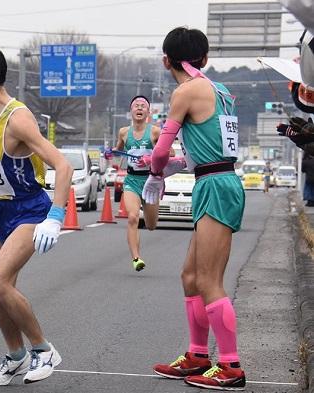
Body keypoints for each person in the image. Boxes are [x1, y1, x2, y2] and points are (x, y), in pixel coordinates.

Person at [143, 27, 246, 390]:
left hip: (215, 186)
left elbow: (159, 150)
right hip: (214, 180)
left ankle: (230, 366)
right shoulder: (219, 90)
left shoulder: (185, 91)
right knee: (190, 276)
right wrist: (171, 164)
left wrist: (156, 170)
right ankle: (198, 355)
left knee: (208, 281)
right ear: (204, 58)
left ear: (166, 60)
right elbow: (209, 147)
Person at [0, 44, 73, 385]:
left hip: (29, 210)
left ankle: (44, 349)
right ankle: (15, 357)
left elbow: (63, 165)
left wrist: (55, 216)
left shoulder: (18, 119)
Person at [112, 96, 161, 272]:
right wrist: (111, 153)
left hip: (151, 181)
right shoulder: (124, 132)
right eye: (136, 106)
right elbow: (118, 150)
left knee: (151, 225)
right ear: (131, 111)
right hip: (132, 180)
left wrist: (150, 159)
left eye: (143, 106)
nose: (139, 108)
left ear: (148, 112)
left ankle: (150, 222)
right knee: (132, 217)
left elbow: (169, 153)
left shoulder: (155, 132)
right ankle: (136, 258)